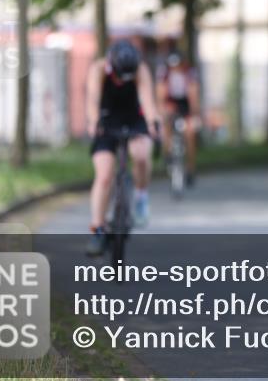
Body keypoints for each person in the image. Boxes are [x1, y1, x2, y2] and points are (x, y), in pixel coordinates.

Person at [85, 40, 161, 256]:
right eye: (119, 76)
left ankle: (141, 196)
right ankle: (98, 229)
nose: (122, 80)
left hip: (134, 119)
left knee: (141, 155)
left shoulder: (140, 69)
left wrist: (152, 122)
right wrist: (93, 122)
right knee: (104, 175)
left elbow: (147, 101)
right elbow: (92, 101)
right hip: (106, 120)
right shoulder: (98, 69)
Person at [156, 51, 202, 185]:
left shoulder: (190, 73)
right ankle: (167, 152)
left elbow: (194, 96)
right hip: (170, 102)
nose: (175, 69)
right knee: (166, 122)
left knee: (190, 133)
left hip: (185, 103)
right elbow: (160, 95)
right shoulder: (164, 73)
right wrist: (161, 111)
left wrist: (195, 114)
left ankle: (190, 168)